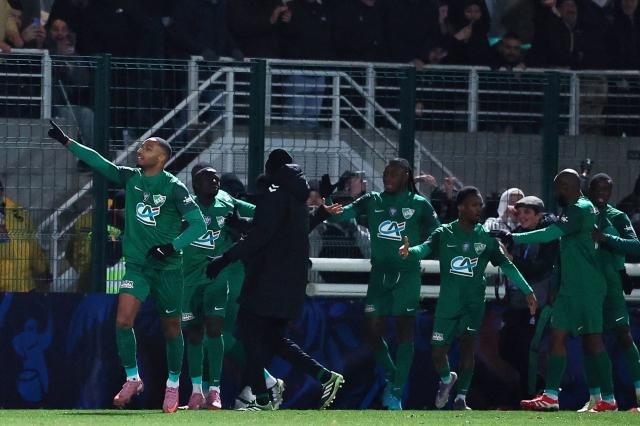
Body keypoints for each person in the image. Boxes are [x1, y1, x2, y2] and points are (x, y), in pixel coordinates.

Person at [47, 121, 207, 413]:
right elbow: (99, 162)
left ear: (162, 158)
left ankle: (173, 386)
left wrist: (171, 247)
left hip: (169, 268)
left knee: (171, 328)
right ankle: (133, 378)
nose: (140, 151)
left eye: (148, 148)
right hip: (138, 267)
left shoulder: (174, 187)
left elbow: (198, 224)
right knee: (122, 321)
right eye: (141, 146)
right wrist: (67, 141)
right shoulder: (131, 179)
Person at [206, 149, 344, 411]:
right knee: (270, 339)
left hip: (267, 280)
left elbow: (259, 237)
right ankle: (325, 377)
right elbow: (276, 229)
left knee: (249, 333)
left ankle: (262, 396)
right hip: (290, 284)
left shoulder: (275, 197)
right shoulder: (297, 199)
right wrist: (239, 223)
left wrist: (224, 258)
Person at [492, 169, 617, 412]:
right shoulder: (575, 208)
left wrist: (514, 239)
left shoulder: (579, 208)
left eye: (558, 187)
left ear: (568, 186)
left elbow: (550, 233)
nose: (555, 192)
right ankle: (550, 395)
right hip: (570, 287)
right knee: (557, 336)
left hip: (587, 286)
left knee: (593, 341)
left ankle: (609, 398)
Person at [401, 186, 536, 410]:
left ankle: (461, 399)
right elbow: (424, 249)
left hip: (473, 304)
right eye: (474, 205)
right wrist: (409, 252)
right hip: (447, 305)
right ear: (461, 207)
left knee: (467, 348)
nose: (479, 209)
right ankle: (446, 379)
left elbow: (507, 265)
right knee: (437, 352)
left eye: (480, 205)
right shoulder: (444, 233)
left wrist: (527, 289)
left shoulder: (486, 238)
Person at [328, 158, 440, 410]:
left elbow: (438, 234)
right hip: (379, 276)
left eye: (394, 174)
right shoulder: (373, 201)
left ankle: (396, 392)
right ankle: (392, 373)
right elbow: (343, 215)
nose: (387, 178)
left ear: (406, 176)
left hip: (407, 276)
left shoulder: (419, 204)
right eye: (386, 174)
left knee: (404, 332)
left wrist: (418, 250)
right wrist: (331, 210)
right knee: (371, 331)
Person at [181, 166, 258, 410]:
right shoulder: (185, 206)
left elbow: (261, 217)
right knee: (197, 333)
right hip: (191, 278)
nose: (213, 180)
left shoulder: (227, 201)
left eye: (215, 177)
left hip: (225, 273)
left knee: (217, 330)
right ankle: (199, 392)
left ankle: (259, 382)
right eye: (205, 177)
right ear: (193, 185)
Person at [498, 196, 558, 403]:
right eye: (519, 213)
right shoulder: (516, 234)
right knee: (505, 347)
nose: (522, 217)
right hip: (515, 303)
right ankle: (537, 388)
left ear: (539, 216)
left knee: (529, 351)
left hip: (537, 304)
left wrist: (513, 259)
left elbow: (540, 268)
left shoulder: (548, 237)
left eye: (527, 213)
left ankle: (532, 394)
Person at [588, 174, 640, 411]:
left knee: (623, 334)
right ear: (589, 190)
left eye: (607, 191)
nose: (602, 194)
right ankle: (597, 398)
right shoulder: (579, 214)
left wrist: (607, 239)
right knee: (591, 340)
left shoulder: (617, 216)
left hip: (611, 287)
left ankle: (638, 394)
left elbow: (635, 246)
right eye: (598, 189)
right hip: (587, 287)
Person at [0, 178, 52, 292]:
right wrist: (43, 270)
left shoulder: (18, 212)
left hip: (16, 287)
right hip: (25, 286)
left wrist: (43, 270)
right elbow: (33, 246)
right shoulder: (18, 212)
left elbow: (32, 246)